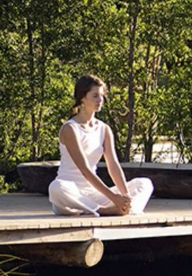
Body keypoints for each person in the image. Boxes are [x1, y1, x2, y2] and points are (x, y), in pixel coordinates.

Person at [48, 75, 153, 217]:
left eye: (102, 96)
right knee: (56, 187)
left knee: (144, 184)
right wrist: (113, 198)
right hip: (71, 195)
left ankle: (127, 209)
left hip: (93, 194)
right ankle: (102, 211)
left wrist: (125, 197)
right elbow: (85, 170)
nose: (100, 100)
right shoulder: (70, 129)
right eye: (95, 96)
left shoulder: (104, 129)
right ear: (82, 98)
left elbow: (113, 166)